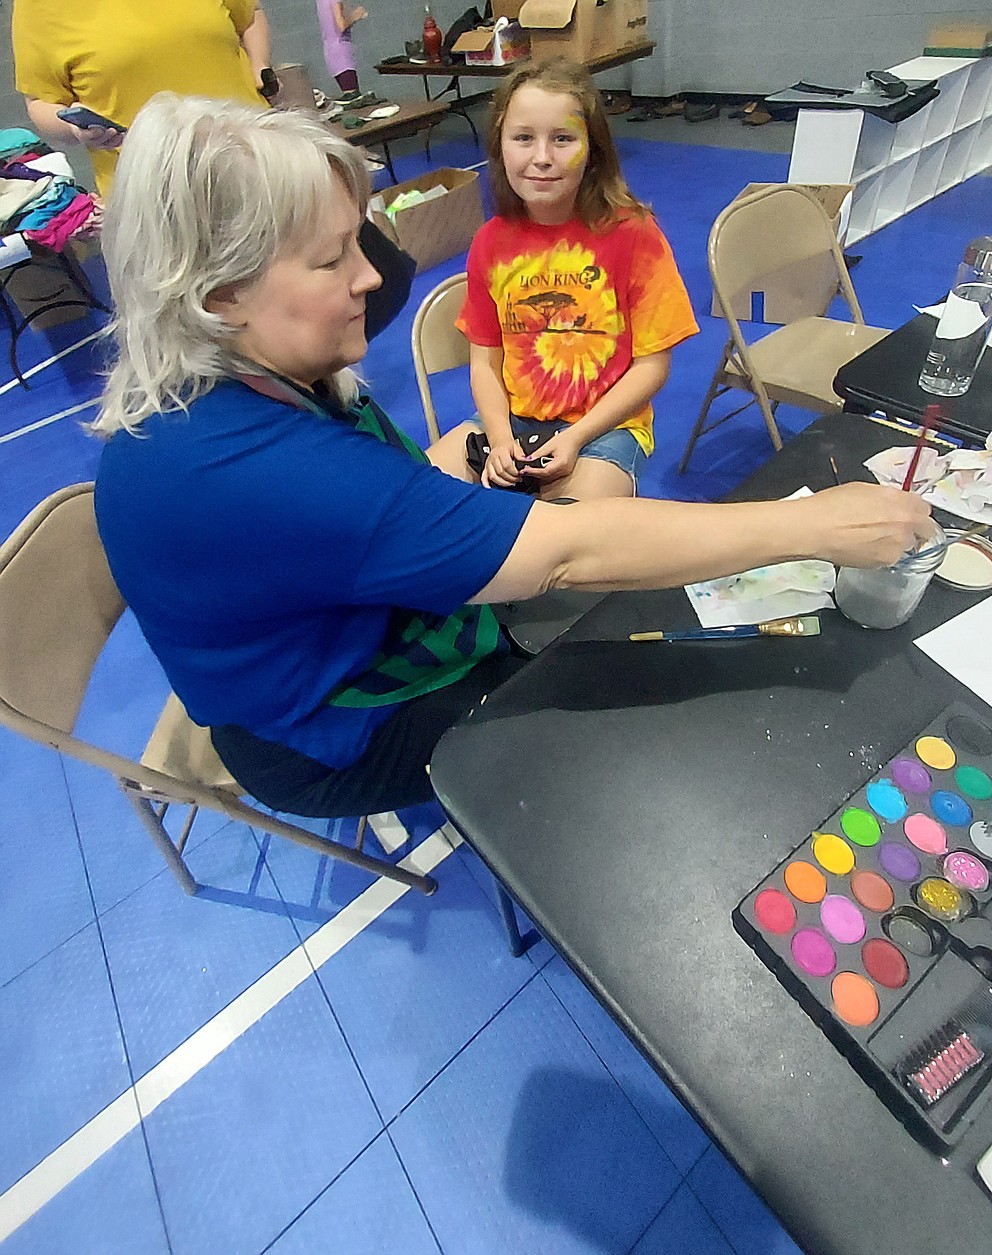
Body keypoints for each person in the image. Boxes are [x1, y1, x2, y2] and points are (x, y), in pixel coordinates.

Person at [91, 94, 933, 821]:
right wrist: (815, 526)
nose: (369, 280)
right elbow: (566, 554)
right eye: (329, 258)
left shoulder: (197, 370)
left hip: (309, 634)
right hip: (327, 734)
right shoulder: (269, 473)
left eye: (356, 242)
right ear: (219, 296)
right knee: (613, 703)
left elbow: (368, 285)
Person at [452, 59, 698, 501]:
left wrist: (576, 436)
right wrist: (500, 436)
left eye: (563, 139)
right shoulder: (490, 242)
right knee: (417, 504)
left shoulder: (634, 236)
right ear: (500, 147)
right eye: (523, 138)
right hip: (512, 421)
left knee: (566, 542)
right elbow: (483, 363)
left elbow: (652, 366)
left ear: (593, 150)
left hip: (606, 426)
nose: (542, 157)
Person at [11, 0, 270, 193]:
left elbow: (249, 17)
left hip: (257, 160)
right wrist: (73, 128)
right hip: (150, 193)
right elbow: (40, 101)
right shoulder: (39, 7)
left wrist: (260, 66)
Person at [316, 2, 372, 104]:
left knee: (350, 95)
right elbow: (341, 26)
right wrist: (355, 15)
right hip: (342, 56)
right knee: (354, 98)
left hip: (332, 53)